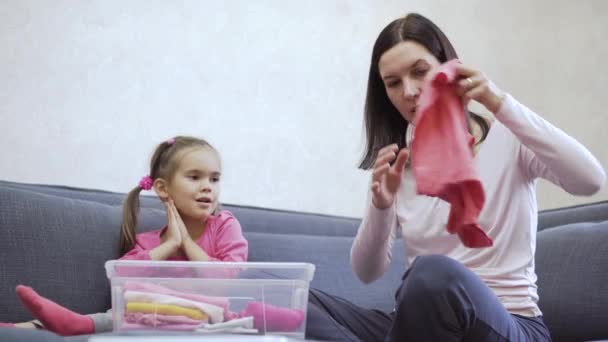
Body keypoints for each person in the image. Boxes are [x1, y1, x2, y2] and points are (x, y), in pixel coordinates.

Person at [306, 13, 605, 342]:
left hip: (511, 325)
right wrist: (381, 206)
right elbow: (367, 272)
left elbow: (590, 180)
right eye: (393, 83)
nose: (409, 91)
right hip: (417, 327)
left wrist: (500, 103)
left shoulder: (508, 138)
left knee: (432, 273)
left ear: (449, 68)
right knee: (293, 301)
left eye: (420, 72)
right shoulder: (396, 166)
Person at [0, 136, 248, 335]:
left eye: (214, 179)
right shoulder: (149, 242)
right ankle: (31, 326)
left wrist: (186, 242)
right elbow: (122, 282)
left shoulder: (225, 225)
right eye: (195, 177)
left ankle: (77, 324)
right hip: (153, 322)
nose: (208, 186)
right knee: (123, 311)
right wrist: (170, 244)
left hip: (207, 319)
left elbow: (223, 280)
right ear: (162, 188)